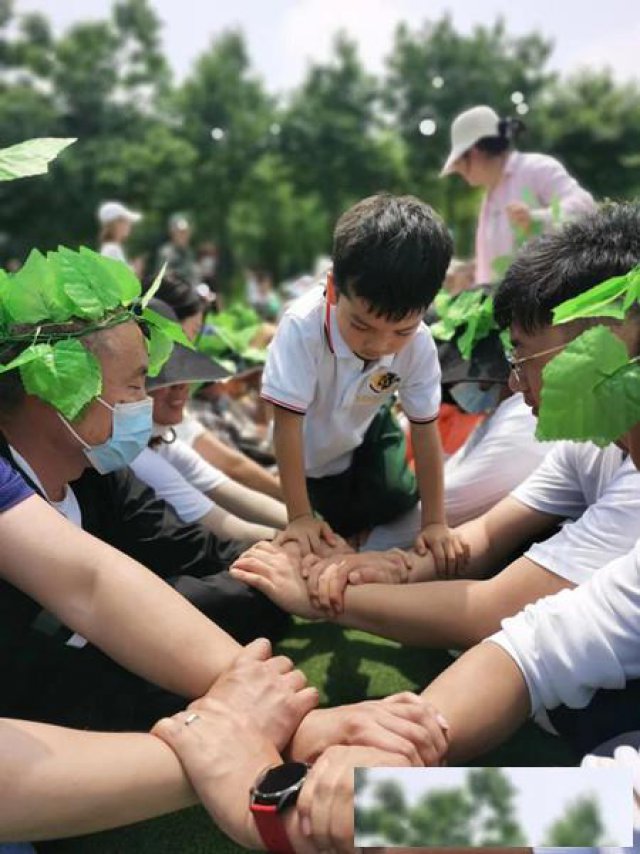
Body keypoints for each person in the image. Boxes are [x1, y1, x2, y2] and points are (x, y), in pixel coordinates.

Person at [232, 204, 640, 783]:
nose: (512, 381)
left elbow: (610, 816)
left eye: (526, 356)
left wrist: (324, 596)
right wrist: (392, 574)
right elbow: (537, 638)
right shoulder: (587, 444)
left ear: (610, 345)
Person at [262, 193, 468, 575]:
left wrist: (435, 523)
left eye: (400, 331)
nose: (379, 345)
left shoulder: (419, 342)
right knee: (325, 526)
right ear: (334, 289)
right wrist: (299, 518)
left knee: (397, 497)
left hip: (366, 431)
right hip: (310, 457)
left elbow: (425, 430)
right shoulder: (301, 328)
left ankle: (365, 518)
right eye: (362, 326)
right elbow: (286, 426)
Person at [364, 313, 552, 550]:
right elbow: (451, 473)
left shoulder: (523, 416)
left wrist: (371, 541)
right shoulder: (498, 412)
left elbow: (457, 496)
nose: (454, 390)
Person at [131, 298, 287, 543]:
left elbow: (228, 489)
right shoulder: (133, 454)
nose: (181, 388)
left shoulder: (161, 438)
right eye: (162, 380)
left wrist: (307, 521)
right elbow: (231, 525)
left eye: (182, 374)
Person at [441, 105, 595, 284]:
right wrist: (470, 270)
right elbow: (504, 259)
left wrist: (537, 218)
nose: (458, 171)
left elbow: (586, 207)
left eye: (459, 162)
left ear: (476, 152)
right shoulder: (490, 195)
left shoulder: (536, 168)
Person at [156, 212, 199, 285]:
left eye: (185, 232)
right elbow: (164, 276)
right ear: (173, 233)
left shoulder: (189, 252)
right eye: (180, 233)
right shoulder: (166, 252)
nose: (183, 236)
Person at [97, 200, 142, 266]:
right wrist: (134, 271)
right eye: (126, 221)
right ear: (117, 224)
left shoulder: (112, 248)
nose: (130, 226)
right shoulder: (112, 250)